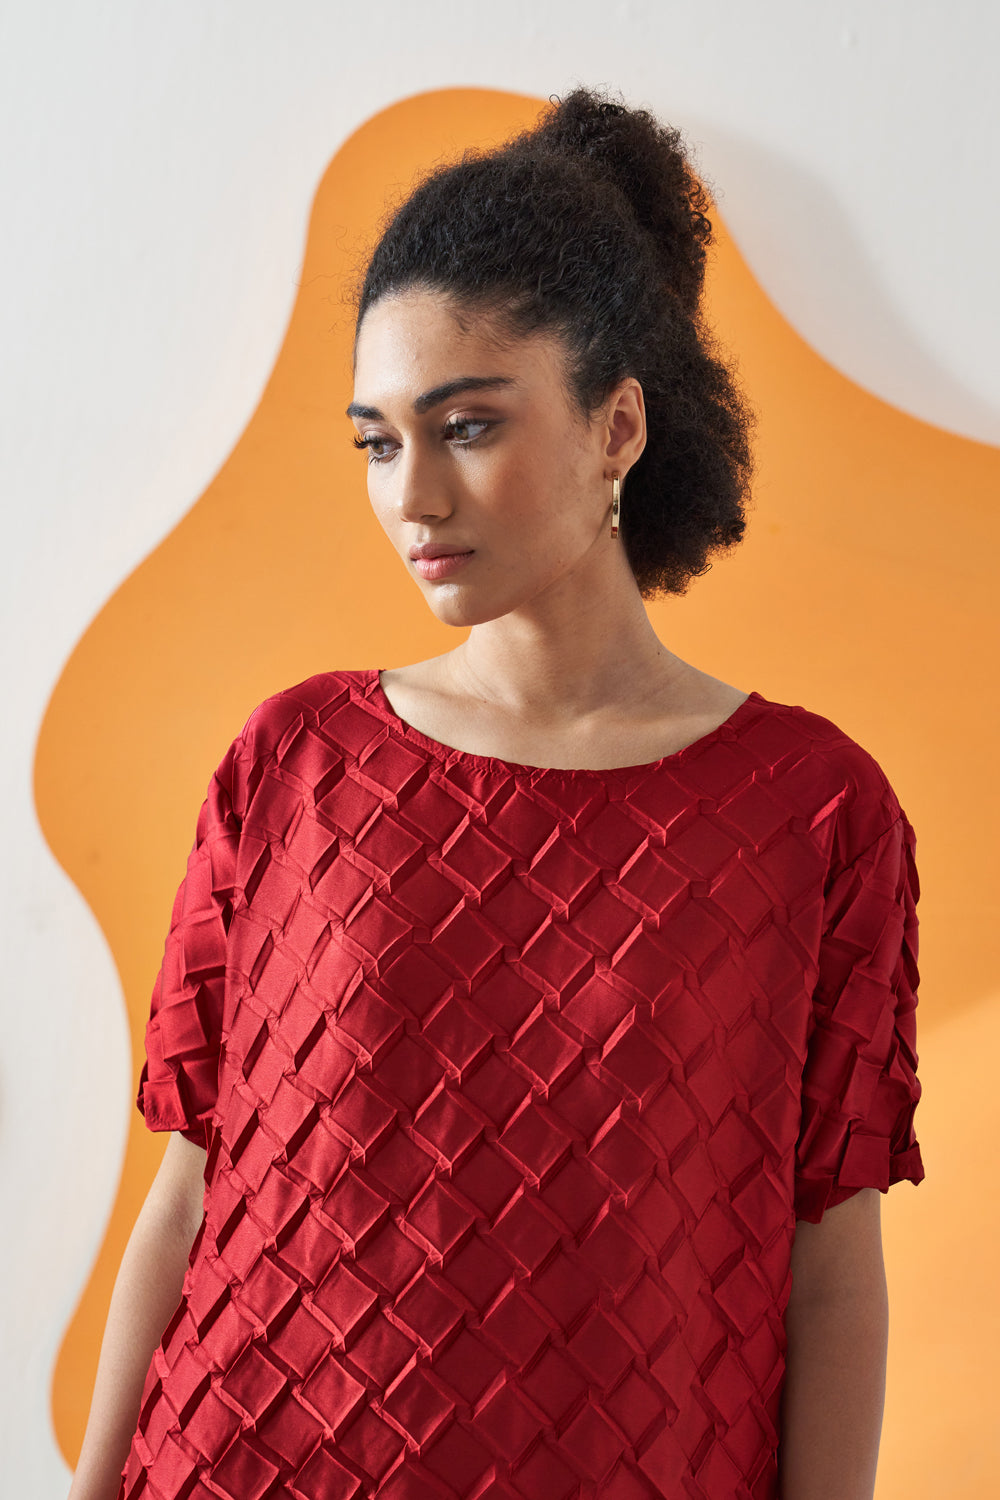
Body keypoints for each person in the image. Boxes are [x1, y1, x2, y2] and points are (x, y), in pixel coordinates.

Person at [69, 88, 924, 1500]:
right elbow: (191, 1196)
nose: (413, 495)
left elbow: (830, 1273)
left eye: (465, 426)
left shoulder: (814, 813)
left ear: (619, 425)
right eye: (377, 441)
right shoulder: (295, 763)